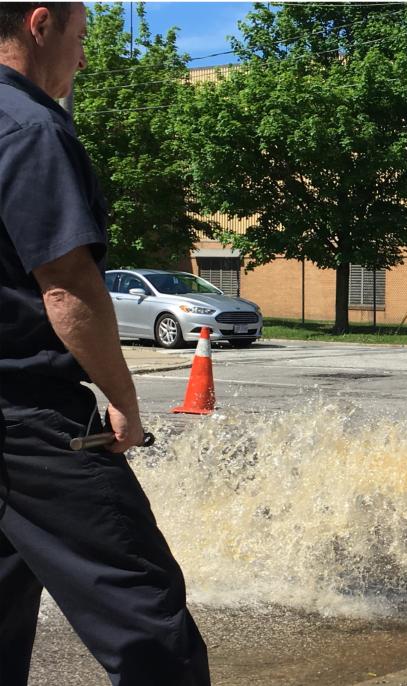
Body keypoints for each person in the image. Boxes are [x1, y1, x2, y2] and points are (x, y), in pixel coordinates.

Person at [0, 4, 210, 683]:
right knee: (147, 621)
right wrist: (123, 400)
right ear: (40, 24)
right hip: (31, 422)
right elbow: (66, 286)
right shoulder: (29, 130)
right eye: (80, 38)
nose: (83, 60)